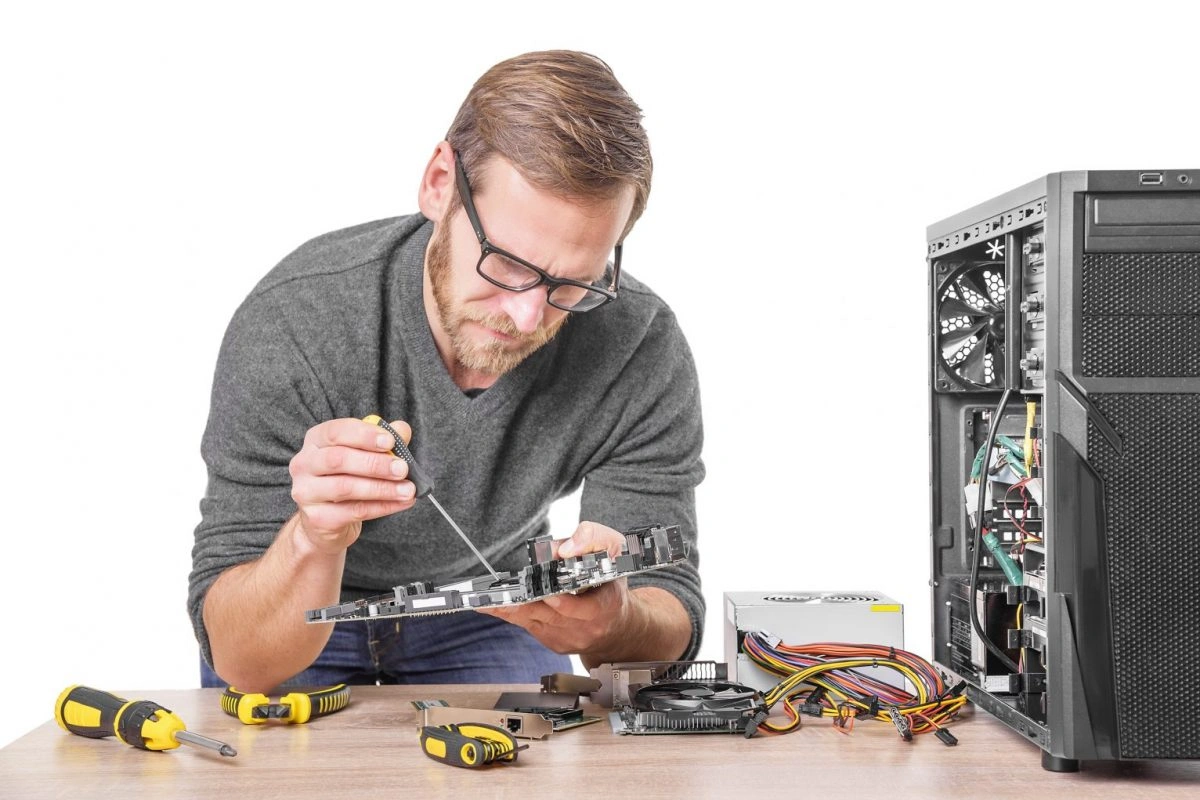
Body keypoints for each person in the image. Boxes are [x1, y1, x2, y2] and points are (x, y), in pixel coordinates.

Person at [188, 50, 704, 692]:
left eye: (573, 283)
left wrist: (615, 620)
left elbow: (667, 622)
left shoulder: (638, 343)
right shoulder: (296, 321)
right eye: (507, 263)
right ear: (439, 184)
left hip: (489, 607)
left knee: (540, 749)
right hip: (304, 602)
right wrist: (313, 540)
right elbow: (241, 660)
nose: (527, 315)